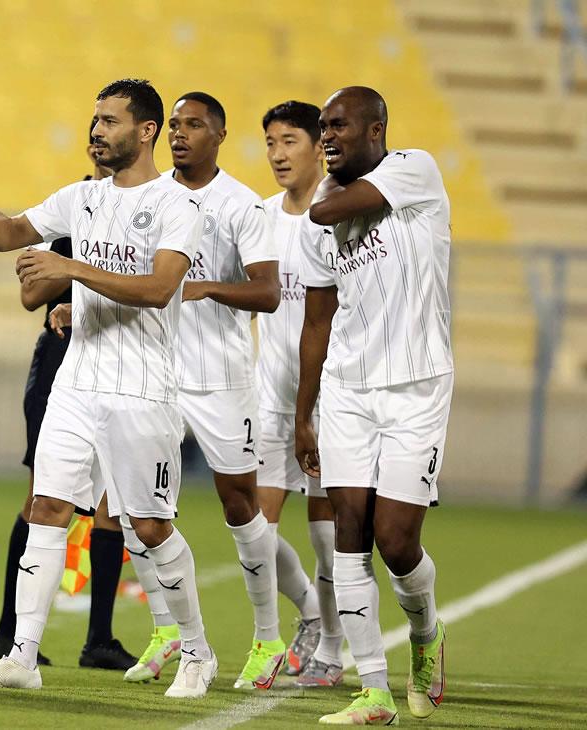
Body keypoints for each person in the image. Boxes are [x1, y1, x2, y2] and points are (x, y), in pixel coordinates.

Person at [0, 79, 215, 699]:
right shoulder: (81, 197)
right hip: (78, 382)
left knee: (148, 525)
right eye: (94, 119)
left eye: (110, 121)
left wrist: (70, 269)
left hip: (143, 389)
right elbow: (4, 233)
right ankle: (22, 656)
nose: (96, 130)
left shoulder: (178, 204)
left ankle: (197, 653)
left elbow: (157, 288)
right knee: (47, 507)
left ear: (145, 132)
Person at [297, 86, 450, 725]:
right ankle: (374, 692)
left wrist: (319, 203)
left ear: (377, 128)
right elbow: (317, 322)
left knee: (395, 539)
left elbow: (330, 212)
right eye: (322, 127)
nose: (326, 136)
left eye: (339, 125)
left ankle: (426, 632)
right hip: (347, 392)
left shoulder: (414, 170)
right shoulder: (324, 207)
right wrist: (303, 413)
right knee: (348, 535)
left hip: (417, 386)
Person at [0, 133, 135, 672]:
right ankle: (11, 633)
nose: (101, 148)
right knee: (42, 495)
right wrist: (58, 282)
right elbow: (32, 295)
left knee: (112, 502)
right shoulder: (75, 207)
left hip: (119, 366)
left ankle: (99, 637)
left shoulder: (150, 209)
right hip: (60, 365)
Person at [159, 92, 285, 690]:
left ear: (219, 135)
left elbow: (268, 293)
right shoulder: (151, 195)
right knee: (141, 506)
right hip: (156, 372)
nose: (180, 136)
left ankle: (267, 637)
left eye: (194, 126)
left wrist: (207, 288)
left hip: (221, 379)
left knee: (240, 505)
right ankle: (176, 638)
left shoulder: (242, 205)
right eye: (175, 126)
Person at [256, 100, 345, 687]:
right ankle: (310, 616)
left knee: (325, 531)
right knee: (255, 533)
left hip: (328, 398)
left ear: (318, 146)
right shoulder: (260, 216)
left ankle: (334, 645)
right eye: (269, 143)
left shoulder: (339, 214)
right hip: (269, 394)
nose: (278, 154)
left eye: (289, 140)